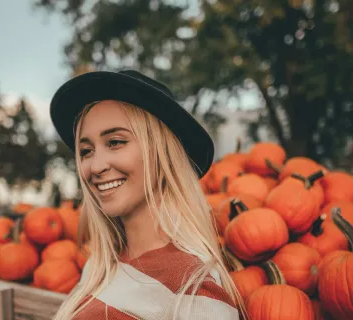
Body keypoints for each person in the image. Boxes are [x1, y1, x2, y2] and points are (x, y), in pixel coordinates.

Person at [49, 70, 246, 319]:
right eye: (86, 151)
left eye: (115, 142)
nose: (95, 166)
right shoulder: (99, 267)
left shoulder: (193, 289)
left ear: (161, 153)